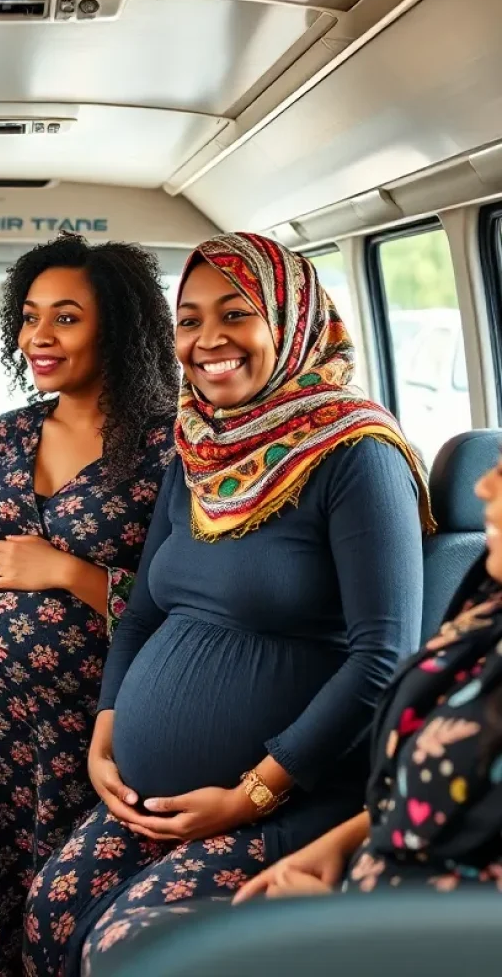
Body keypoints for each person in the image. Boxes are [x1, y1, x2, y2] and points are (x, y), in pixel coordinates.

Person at [23, 232, 434, 977]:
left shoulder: (358, 453)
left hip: (293, 800)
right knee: (51, 908)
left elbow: (384, 657)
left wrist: (253, 794)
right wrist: (106, 733)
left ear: (293, 321)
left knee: (126, 946)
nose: (208, 339)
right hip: (151, 792)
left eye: (236, 314)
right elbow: (144, 613)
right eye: (189, 320)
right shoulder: (202, 447)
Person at [0, 233, 181, 977]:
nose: (39, 337)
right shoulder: (9, 433)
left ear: (119, 327)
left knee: (74, 918)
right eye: (30, 316)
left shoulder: (172, 444)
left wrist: (71, 573)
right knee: (1, 914)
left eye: (67, 318)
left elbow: (191, 605)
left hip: (96, 729)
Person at [231, 446, 502, 904]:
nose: (482, 486)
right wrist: (337, 845)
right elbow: (422, 788)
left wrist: (335, 922)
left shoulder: (364, 457)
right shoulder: (486, 603)